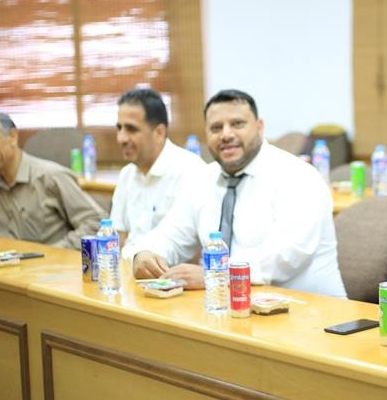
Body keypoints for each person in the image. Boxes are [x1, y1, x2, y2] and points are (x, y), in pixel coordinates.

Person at [133, 89, 347, 298]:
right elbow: (172, 233)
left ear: (259, 127)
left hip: (311, 312)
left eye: (237, 124)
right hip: (230, 306)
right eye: (216, 128)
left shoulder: (298, 176)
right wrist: (146, 252)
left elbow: (286, 255)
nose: (226, 135)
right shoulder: (203, 179)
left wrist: (215, 274)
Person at [0, 113, 106, 249]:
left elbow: (96, 222)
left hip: (50, 272)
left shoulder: (51, 177)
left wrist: (54, 252)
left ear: (13, 137)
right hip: (3, 273)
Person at [111, 88, 207, 260]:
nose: (121, 138)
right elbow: (118, 239)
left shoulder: (190, 171)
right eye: (119, 128)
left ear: (159, 133)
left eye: (131, 129)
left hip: (170, 273)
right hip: (129, 267)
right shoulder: (126, 174)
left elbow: (195, 251)